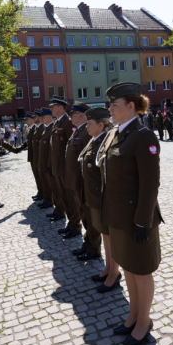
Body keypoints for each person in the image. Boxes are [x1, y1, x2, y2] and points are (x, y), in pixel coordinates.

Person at [97, 82, 164, 345]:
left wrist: (141, 222)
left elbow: (150, 184)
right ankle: (133, 317)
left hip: (137, 219)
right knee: (128, 269)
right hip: (118, 217)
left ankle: (144, 321)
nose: (110, 109)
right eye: (110, 105)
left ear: (131, 106)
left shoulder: (143, 136)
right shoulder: (115, 133)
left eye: (114, 105)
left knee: (141, 271)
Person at [76, 108, 113, 267]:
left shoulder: (105, 141)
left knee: (105, 233)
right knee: (94, 226)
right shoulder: (95, 139)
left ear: (100, 125)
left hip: (99, 195)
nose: (86, 127)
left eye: (89, 123)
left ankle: (111, 268)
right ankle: (108, 267)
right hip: (90, 193)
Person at [60, 102, 92, 245]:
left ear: (81, 115)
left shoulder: (86, 133)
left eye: (72, 114)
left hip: (81, 180)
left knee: (87, 215)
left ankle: (92, 247)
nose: (70, 117)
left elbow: (86, 159)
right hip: (74, 178)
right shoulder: (78, 131)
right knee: (82, 212)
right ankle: (88, 244)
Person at [47, 95, 73, 222]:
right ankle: (64, 216)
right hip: (57, 166)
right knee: (61, 194)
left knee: (68, 197)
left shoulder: (68, 122)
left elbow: (72, 146)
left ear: (61, 108)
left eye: (53, 107)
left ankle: (74, 224)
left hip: (64, 167)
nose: (51, 109)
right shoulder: (57, 122)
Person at [37, 108, 56, 210]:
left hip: (48, 162)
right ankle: (48, 199)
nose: (41, 119)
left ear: (49, 117)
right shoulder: (46, 128)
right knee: (46, 183)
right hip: (44, 162)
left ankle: (50, 200)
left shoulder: (52, 128)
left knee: (50, 184)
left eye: (43, 117)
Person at [32, 110, 45, 201]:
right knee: (39, 178)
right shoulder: (38, 128)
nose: (34, 119)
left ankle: (45, 196)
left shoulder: (43, 128)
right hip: (36, 157)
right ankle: (41, 193)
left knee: (43, 179)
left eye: (35, 117)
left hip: (42, 158)